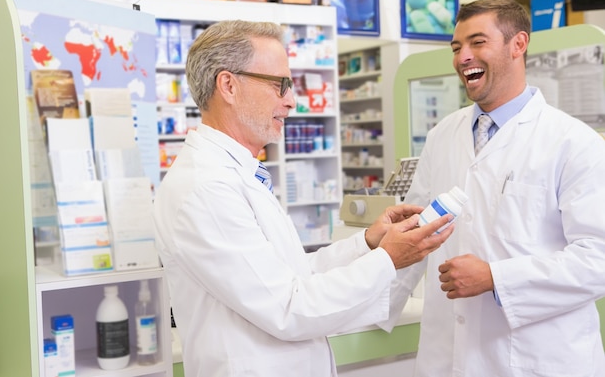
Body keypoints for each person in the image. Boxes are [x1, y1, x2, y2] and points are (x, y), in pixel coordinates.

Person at [152, 19, 454, 377]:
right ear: (228, 85)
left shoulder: (235, 174)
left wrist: (369, 244)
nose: (292, 101)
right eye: (280, 85)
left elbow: (293, 276)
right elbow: (290, 308)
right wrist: (389, 259)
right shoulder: (204, 188)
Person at [402, 0, 605, 376]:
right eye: (457, 47)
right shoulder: (442, 135)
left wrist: (497, 278)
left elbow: (598, 258)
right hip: (449, 356)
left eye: (478, 43)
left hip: (537, 359)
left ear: (519, 44)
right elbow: (419, 234)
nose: (463, 57)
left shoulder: (574, 143)